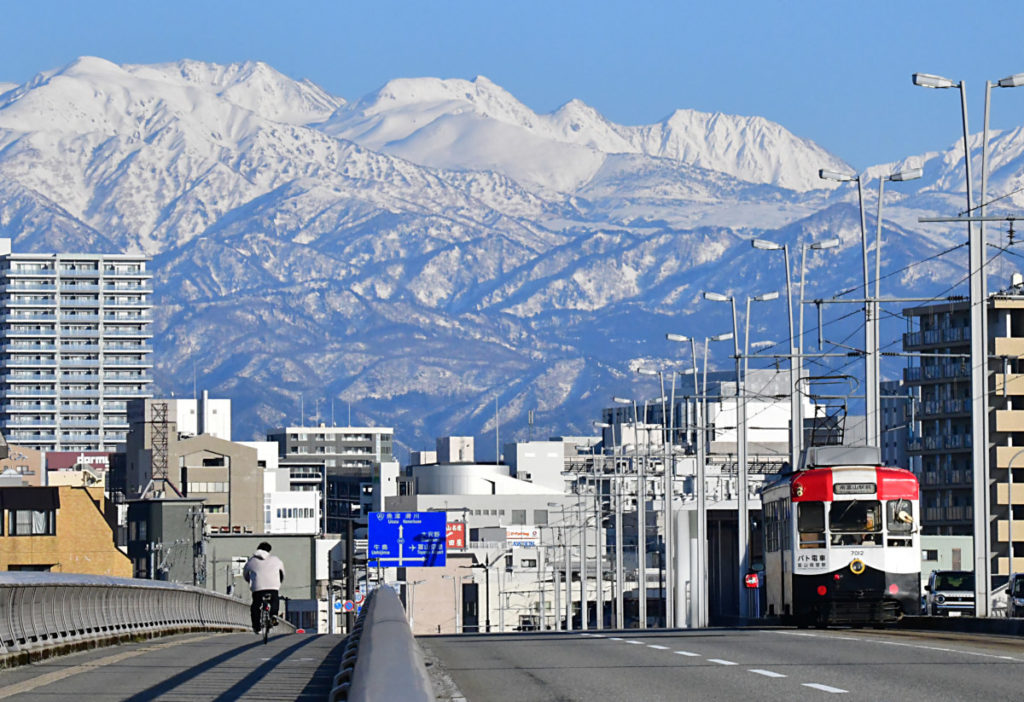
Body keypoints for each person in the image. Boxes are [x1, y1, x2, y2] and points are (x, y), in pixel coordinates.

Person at [243, 541, 286, 635]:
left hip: (258, 588)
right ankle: (274, 615)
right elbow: (282, 573)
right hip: (273, 586)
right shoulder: (276, 560)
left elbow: (245, 574)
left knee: (255, 606)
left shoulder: (252, 560)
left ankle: (256, 627)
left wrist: (250, 581)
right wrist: (278, 583)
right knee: (274, 601)